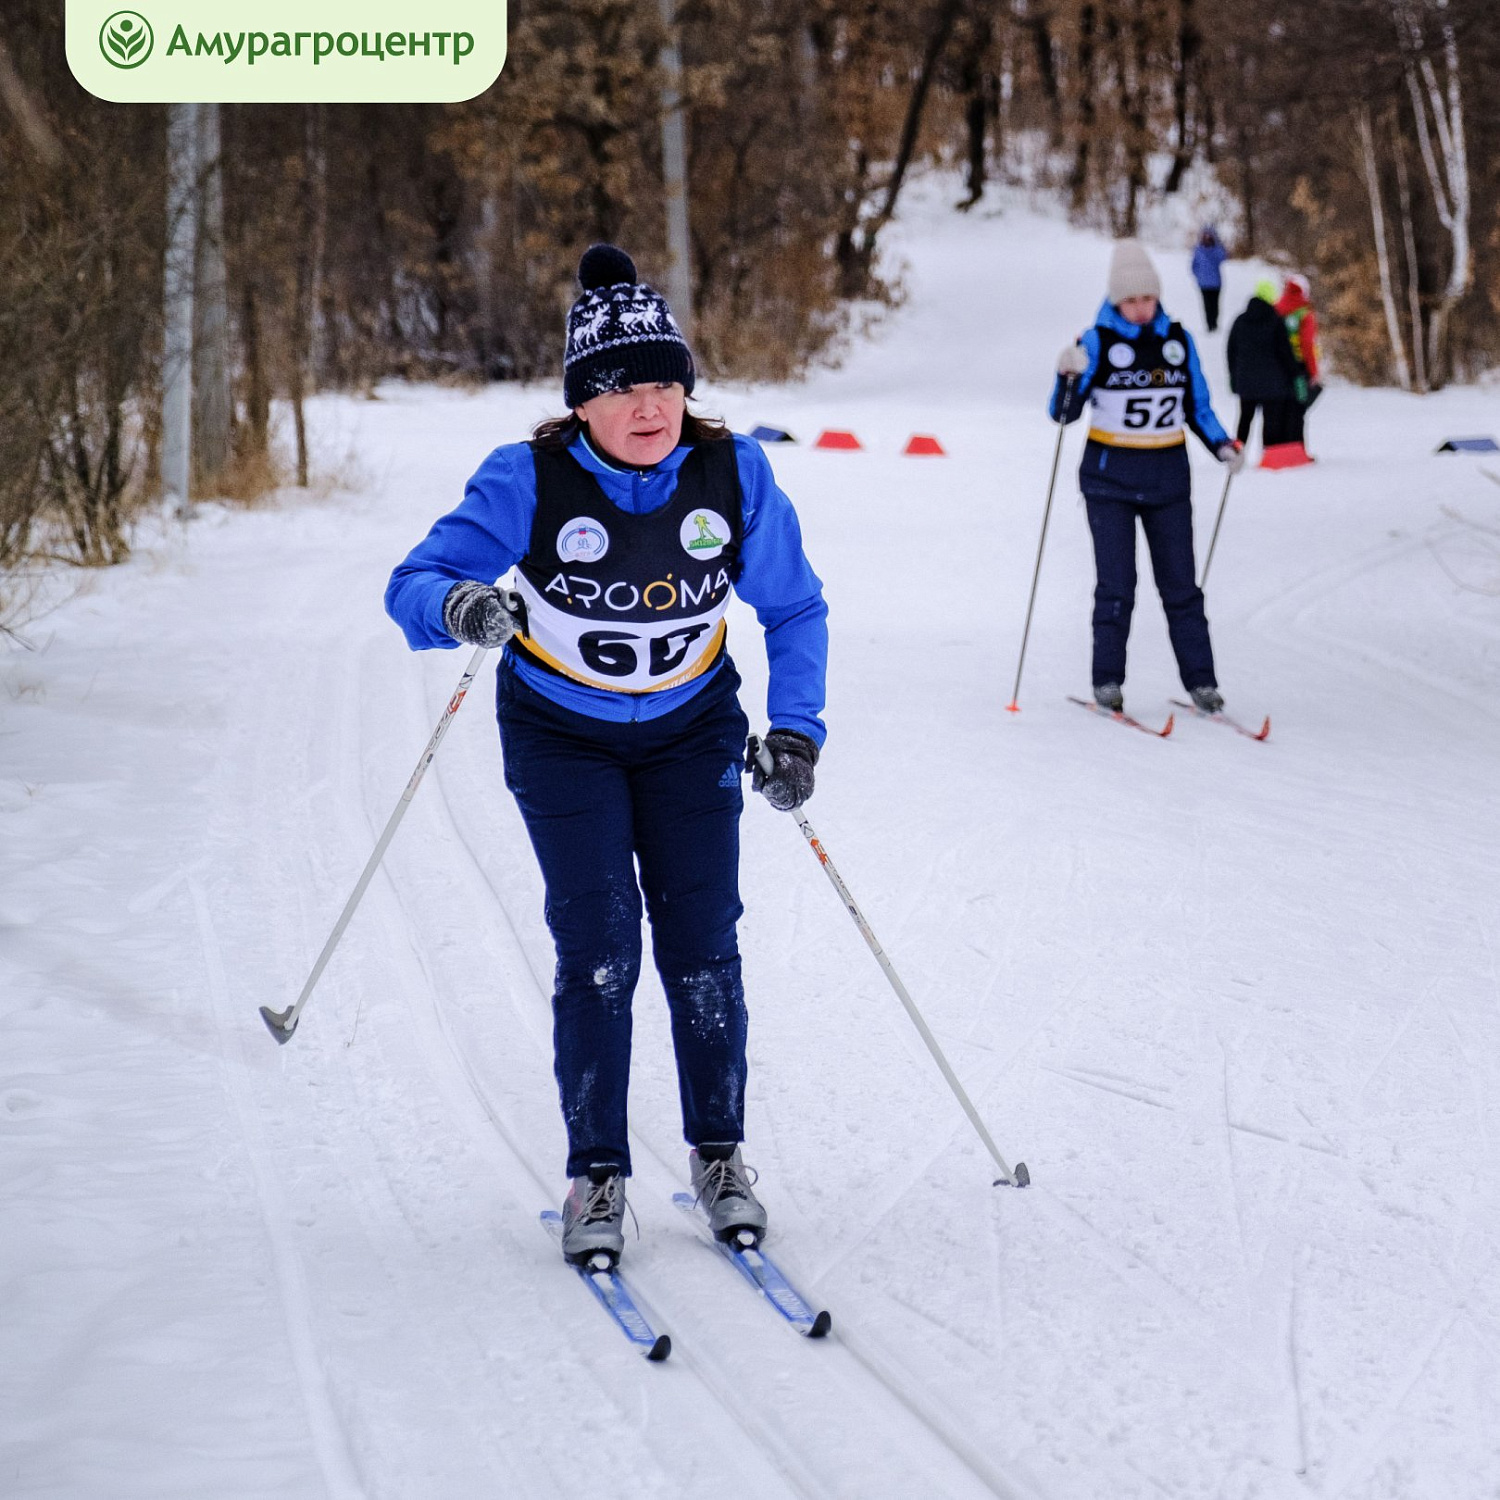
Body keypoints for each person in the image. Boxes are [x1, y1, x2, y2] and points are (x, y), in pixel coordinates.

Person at [385, 244, 829, 1267]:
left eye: (667, 381)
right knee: (598, 952)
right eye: (624, 386)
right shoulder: (526, 479)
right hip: (562, 737)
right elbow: (416, 579)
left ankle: (719, 1156)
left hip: (692, 730)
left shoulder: (733, 472)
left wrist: (797, 730)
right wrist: (457, 604)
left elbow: (795, 606)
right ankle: (598, 1172)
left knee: (704, 947)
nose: (649, 405)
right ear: (584, 400)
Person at [1051, 239, 1243, 716]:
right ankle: (1108, 682)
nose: (1139, 308)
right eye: (1130, 300)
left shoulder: (1177, 342)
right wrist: (1066, 375)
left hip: (1167, 482)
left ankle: (1203, 684)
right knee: (1117, 586)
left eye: (1147, 299)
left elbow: (1196, 405)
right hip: (1108, 483)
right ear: (1116, 302)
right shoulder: (1095, 342)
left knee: (1182, 587)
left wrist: (1223, 444)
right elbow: (1063, 414)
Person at [1226, 280, 1304, 457]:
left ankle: (1237, 452)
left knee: (1245, 418)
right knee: (1271, 422)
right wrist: (1296, 376)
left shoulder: (1240, 320)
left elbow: (1231, 350)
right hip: (1273, 384)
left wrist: (1233, 376)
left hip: (1246, 382)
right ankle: (1269, 455)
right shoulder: (1275, 321)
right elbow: (1285, 353)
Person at [1270, 273, 1320, 467]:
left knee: (1280, 410)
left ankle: (1279, 452)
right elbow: (1308, 344)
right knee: (1298, 410)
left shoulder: (1276, 310)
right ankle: (1298, 452)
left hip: (1279, 367)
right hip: (1300, 367)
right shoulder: (1304, 313)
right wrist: (1314, 371)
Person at [1190, 226, 1228, 332]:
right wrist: (1198, 276)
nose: (1207, 238)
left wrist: (1218, 245)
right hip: (1204, 284)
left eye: (1209, 236)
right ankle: (1209, 324)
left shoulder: (1216, 250)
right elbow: (1193, 266)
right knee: (1207, 305)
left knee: (1215, 304)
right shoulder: (1198, 250)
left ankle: (1215, 323)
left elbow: (1224, 257)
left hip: (1216, 283)